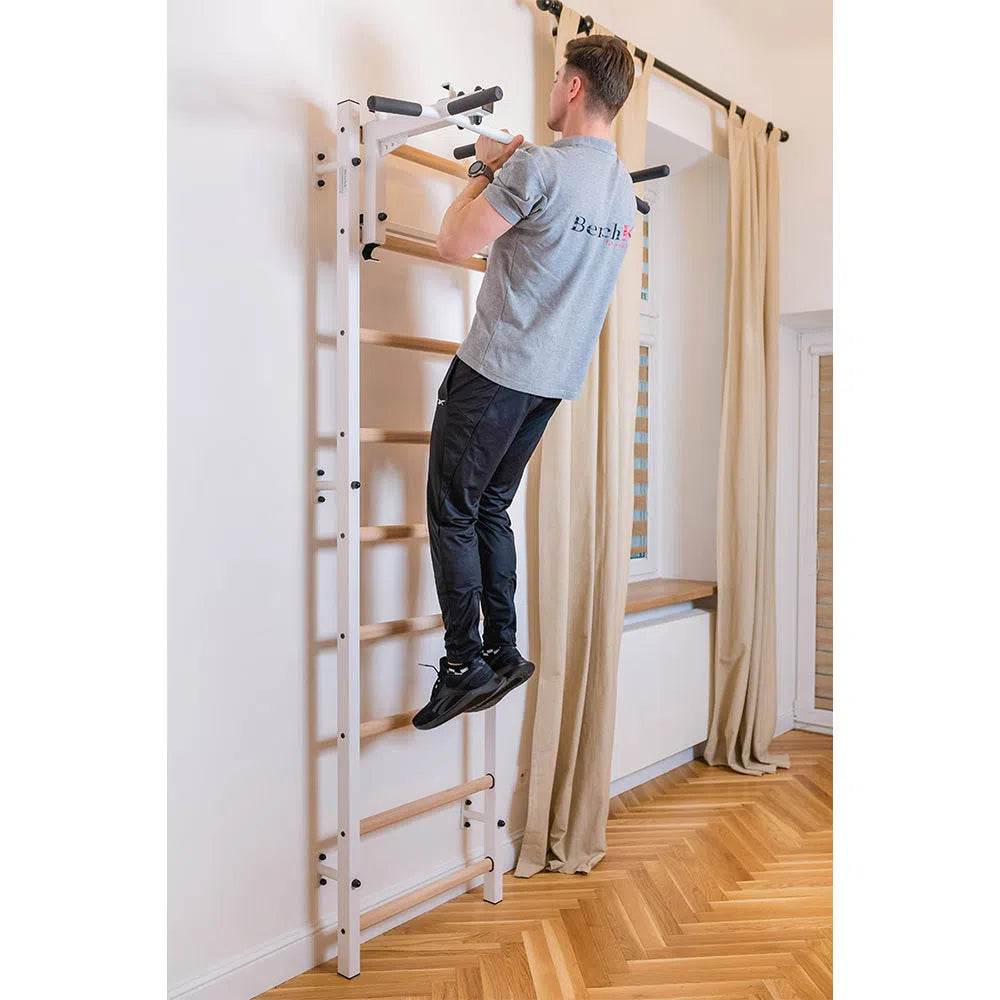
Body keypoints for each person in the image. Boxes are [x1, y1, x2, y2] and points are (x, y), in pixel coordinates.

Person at [413, 35, 639, 731]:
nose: (550, 93)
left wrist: (484, 170)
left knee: (454, 510)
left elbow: (455, 243)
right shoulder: (621, 190)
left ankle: (463, 663)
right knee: (488, 510)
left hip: (496, 370)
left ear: (572, 88)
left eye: (555, 81)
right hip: (549, 382)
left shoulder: (540, 166)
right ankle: (502, 651)